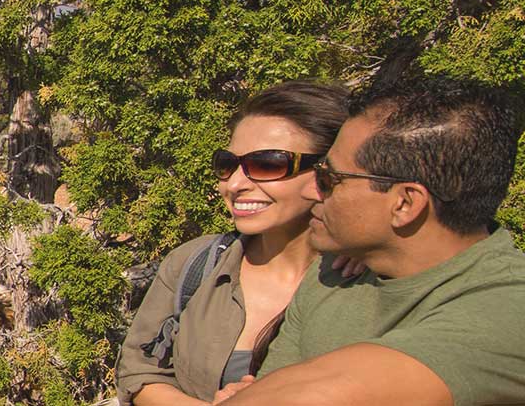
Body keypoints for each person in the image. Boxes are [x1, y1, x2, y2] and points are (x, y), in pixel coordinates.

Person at [218, 77, 525, 405]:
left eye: (329, 179)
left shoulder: (507, 309)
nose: (311, 191)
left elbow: (309, 395)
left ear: (405, 203)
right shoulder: (332, 272)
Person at [116, 81, 350, 404]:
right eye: (228, 164)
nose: (235, 184)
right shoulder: (196, 264)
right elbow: (139, 371)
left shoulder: (372, 284)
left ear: (328, 171)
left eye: (267, 163)